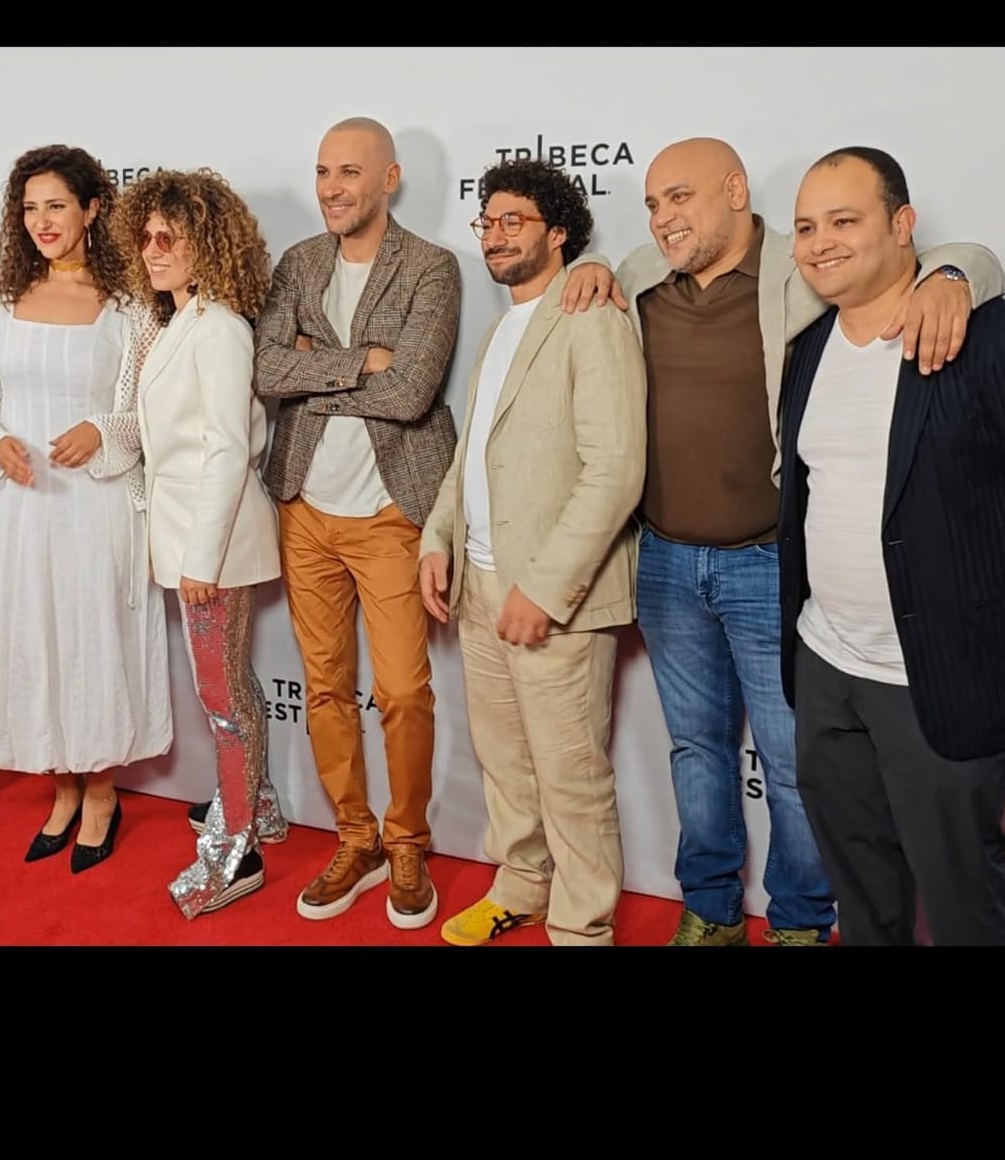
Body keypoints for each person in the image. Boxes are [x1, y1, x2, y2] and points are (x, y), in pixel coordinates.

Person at [557, 137, 1005, 945]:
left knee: (797, 764)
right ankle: (711, 908)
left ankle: (800, 920)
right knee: (696, 750)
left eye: (681, 197)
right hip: (664, 560)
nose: (663, 218)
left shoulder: (802, 270)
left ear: (736, 191)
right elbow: (602, 278)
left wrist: (955, 277)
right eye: (653, 203)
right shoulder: (642, 277)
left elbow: (943, 255)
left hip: (768, 561)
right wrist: (586, 265)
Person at [779, 146, 1005, 946]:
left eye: (843, 220)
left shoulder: (996, 339)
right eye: (805, 226)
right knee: (862, 891)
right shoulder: (810, 345)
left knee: (962, 898)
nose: (820, 242)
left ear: (903, 225)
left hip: (940, 681)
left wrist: (1003, 597)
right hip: (826, 667)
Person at [418, 158, 645, 946]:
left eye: (514, 220)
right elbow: (471, 455)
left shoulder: (591, 314)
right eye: (487, 221)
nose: (495, 235)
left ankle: (583, 927)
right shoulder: (499, 327)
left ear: (560, 232)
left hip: (555, 596)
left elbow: (617, 468)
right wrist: (437, 537)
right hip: (480, 583)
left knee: (571, 774)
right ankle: (520, 885)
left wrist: (545, 588)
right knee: (507, 764)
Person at [245, 116, 459, 929]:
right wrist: (363, 358)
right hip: (304, 509)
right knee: (327, 687)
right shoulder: (299, 262)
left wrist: (316, 367)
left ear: (389, 179)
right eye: (323, 172)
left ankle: (407, 840)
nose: (332, 188)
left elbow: (410, 392)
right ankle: (356, 836)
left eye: (349, 172)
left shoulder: (431, 266)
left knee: (402, 690)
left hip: (390, 512)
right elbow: (266, 368)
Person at [0, 145, 171, 872]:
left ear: (93, 209)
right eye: (30, 208)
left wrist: (103, 429)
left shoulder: (130, 302)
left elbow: (154, 404)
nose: (42, 221)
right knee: (35, 639)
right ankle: (62, 785)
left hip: (94, 504)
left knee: (90, 640)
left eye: (57, 206)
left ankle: (101, 791)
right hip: (19, 505)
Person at [119, 167, 287, 918]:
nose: (153, 250)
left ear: (207, 245)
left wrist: (201, 559)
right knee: (232, 687)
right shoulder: (179, 321)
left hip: (210, 543)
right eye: (147, 236)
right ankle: (259, 804)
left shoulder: (219, 328)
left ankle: (236, 850)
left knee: (222, 699)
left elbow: (227, 450)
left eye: (171, 238)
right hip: (190, 535)